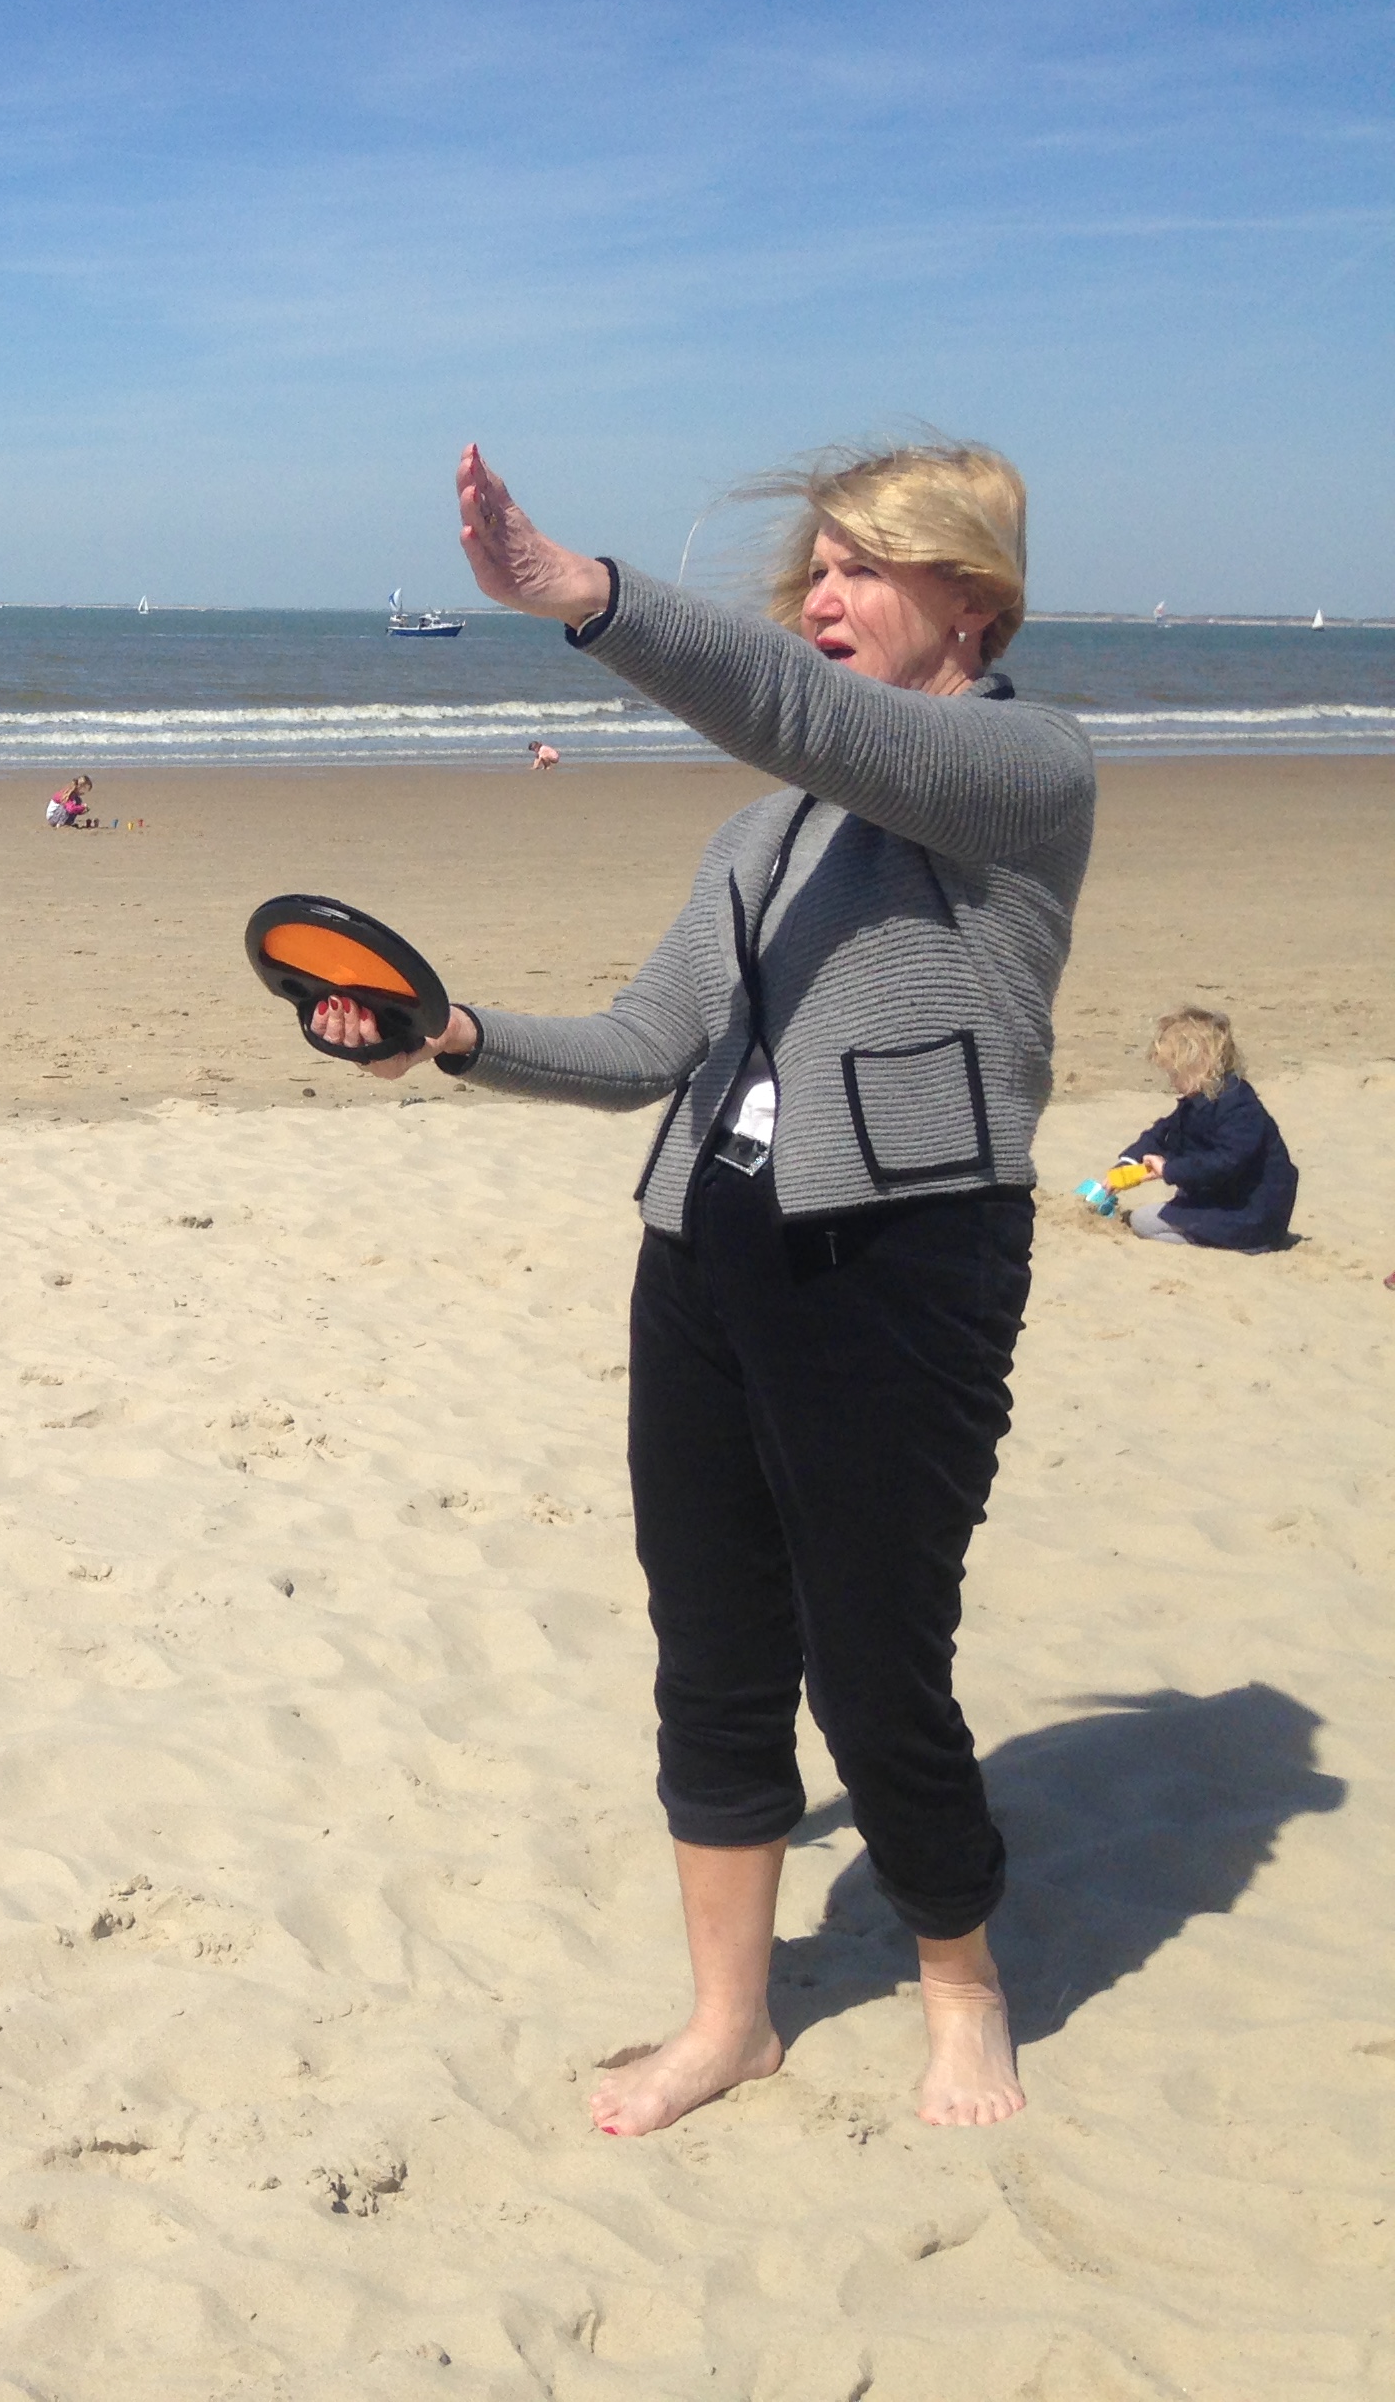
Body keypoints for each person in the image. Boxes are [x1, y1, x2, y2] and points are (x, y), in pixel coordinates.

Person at [312, 440, 1092, 2135]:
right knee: (714, 1648)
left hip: (900, 1262)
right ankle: (728, 2019)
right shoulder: (762, 834)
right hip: (702, 1252)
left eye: (863, 565)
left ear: (971, 597)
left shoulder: (1019, 771)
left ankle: (961, 1983)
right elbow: (642, 1044)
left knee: (874, 1665)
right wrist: (447, 1035)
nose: (822, 595)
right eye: (815, 567)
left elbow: (807, 718)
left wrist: (580, 595)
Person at [1113, 1007, 1298, 1249]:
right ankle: (1199, 1236)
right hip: (1220, 1200)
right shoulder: (1199, 1101)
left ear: (1201, 1065)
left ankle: (1222, 1242)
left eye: (1175, 1074)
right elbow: (1164, 1134)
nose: (1172, 1082)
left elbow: (1226, 1161)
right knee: (1146, 1222)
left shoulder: (1239, 1107)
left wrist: (1168, 1170)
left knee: (1143, 1222)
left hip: (1250, 1213)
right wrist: (1127, 1163)